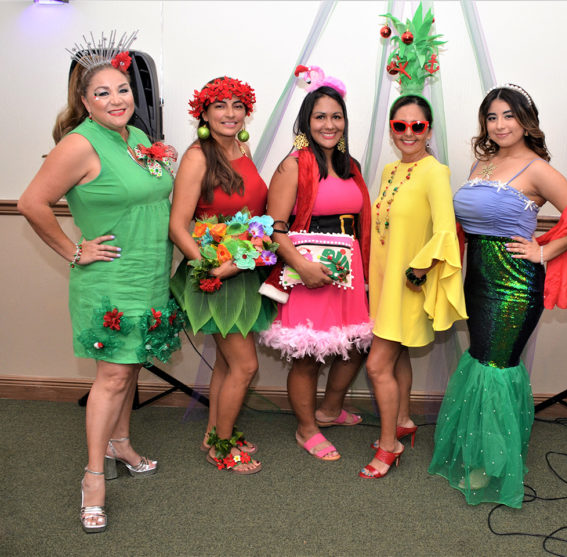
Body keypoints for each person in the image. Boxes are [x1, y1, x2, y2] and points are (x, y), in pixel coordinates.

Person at [18, 31, 183, 533]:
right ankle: (93, 477)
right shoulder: (78, 144)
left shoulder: (135, 138)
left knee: (131, 365)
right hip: (110, 278)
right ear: (85, 102)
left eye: (123, 90)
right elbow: (31, 203)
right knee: (112, 377)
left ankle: (121, 444)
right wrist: (74, 249)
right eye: (103, 93)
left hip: (149, 273)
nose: (117, 100)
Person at [429, 84, 567, 507]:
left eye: (509, 115)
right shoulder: (482, 162)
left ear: (526, 120)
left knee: (497, 368)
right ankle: (482, 451)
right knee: (482, 362)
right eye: (492, 116)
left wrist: (544, 249)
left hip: (515, 284)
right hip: (478, 279)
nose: (500, 124)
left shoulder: (536, 168)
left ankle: (491, 463)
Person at [258, 66, 372, 461]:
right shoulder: (294, 165)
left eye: (336, 116)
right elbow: (274, 228)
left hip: (347, 271)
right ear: (306, 121)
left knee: (354, 346)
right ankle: (306, 429)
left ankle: (328, 410)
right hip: (306, 273)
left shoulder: (350, 166)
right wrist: (303, 268)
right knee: (308, 356)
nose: (330, 124)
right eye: (320, 116)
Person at [169, 76, 276, 474]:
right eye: (220, 106)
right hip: (213, 276)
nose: (230, 114)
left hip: (243, 270)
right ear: (205, 112)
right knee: (245, 366)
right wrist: (211, 268)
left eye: (237, 105)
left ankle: (214, 431)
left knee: (231, 364)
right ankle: (222, 447)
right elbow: (178, 225)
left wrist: (248, 253)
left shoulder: (241, 147)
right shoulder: (198, 156)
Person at [360, 94, 467, 479]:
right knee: (398, 354)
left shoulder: (435, 171)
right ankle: (402, 419)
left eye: (417, 126)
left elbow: (444, 232)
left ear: (429, 130)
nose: (408, 133)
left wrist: (419, 270)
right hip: (386, 284)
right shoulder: (390, 170)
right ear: (391, 129)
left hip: (408, 285)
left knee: (376, 365)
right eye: (400, 126)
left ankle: (390, 446)